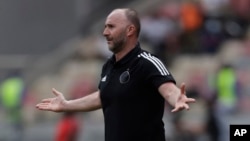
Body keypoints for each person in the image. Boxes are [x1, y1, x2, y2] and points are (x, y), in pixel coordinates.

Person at [36, 8, 196, 141]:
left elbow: (168, 89)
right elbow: (103, 96)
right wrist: (67, 105)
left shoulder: (147, 63)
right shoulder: (108, 66)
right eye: (105, 27)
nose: (105, 32)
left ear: (130, 30)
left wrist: (177, 98)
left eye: (111, 27)